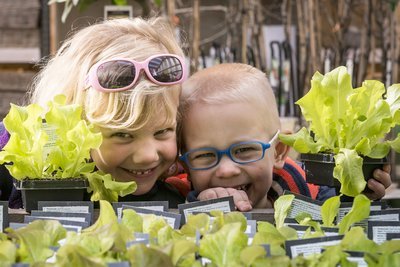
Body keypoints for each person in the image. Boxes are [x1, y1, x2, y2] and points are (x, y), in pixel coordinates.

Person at [2, 17, 190, 209]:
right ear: (75, 126)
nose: (147, 156)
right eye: (122, 134)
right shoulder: (26, 164)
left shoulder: (184, 190)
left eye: (162, 131)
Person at [177, 63, 392, 211]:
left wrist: (358, 195)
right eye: (205, 155)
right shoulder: (176, 197)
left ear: (278, 151)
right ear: (186, 167)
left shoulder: (305, 189)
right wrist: (202, 207)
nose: (226, 170)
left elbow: (335, 213)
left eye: (243, 150)